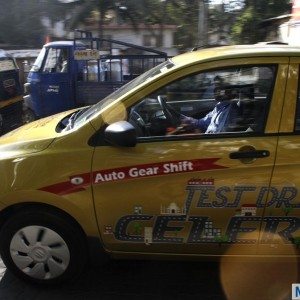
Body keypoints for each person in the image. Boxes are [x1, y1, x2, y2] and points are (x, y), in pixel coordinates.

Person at [179, 85, 243, 134]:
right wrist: (185, 119)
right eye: (215, 90)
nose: (215, 92)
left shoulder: (230, 110)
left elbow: (221, 134)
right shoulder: (218, 107)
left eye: (220, 90)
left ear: (228, 93)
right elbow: (203, 122)